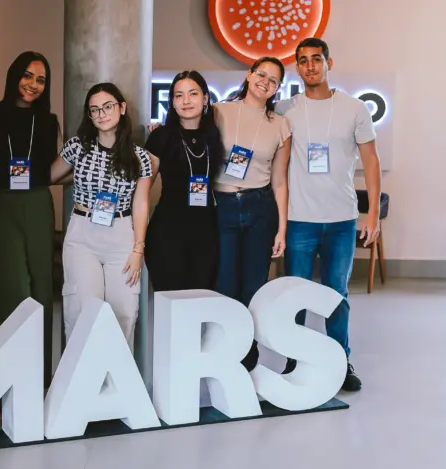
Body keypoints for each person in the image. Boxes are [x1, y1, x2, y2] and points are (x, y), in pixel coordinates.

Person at [275, 38, 382, 391]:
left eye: (316, 59)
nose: (310, 66)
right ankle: (294, 359)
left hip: (340, 219)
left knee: (337, 293)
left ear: (328, 63)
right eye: (303, 60)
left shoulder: (354, 108)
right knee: (296, 294)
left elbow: (371, 161)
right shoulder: (285, 109)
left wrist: (372, 214)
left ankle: (340, 362)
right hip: (299, 220)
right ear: (297, 67)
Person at [0, 52, 61, 388]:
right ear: (13, 76)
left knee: (41, 288)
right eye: (27, 75)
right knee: (12, 288)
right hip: (1, 206)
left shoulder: (49, 121)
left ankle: (39, 380)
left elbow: (55, 169)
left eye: (41, 80)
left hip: (38, 203)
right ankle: (11, 379)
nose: (33, 85)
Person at [50, 83, 154, 351]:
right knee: (82, 311)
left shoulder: (139, 156)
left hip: (122, 234)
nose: (101, 114)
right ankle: (80, 374)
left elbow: (141, 203)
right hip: (83, 233)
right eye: (94, 109)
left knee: (124, 313)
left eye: (107, 106)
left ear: (122, 108)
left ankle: (115, 376)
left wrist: (138, 249)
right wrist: (78, 177)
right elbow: (50, 176)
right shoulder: (77, 147)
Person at [211, 57, 292, 371]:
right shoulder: (219, 111)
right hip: (222, 205)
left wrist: (282, 229)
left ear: (277, 88)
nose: (265, 82)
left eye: (273, 80)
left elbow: (280, 180)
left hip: (260, 208)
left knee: (253, 285)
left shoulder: (281, 125)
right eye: (261, 74)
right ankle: (224, 350)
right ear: (248, 75)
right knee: (224, 283)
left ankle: (247, 354)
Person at [143, 71, 224, 292]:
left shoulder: (214, 136)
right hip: (167, 233)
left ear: (205, 98)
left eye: (193, 94)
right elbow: (141, 189)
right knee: (171, 301)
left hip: (206, 233)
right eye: (179, 95)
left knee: (200, 301)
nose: (186, 101)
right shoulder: (161, 137)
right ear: (172, 101)